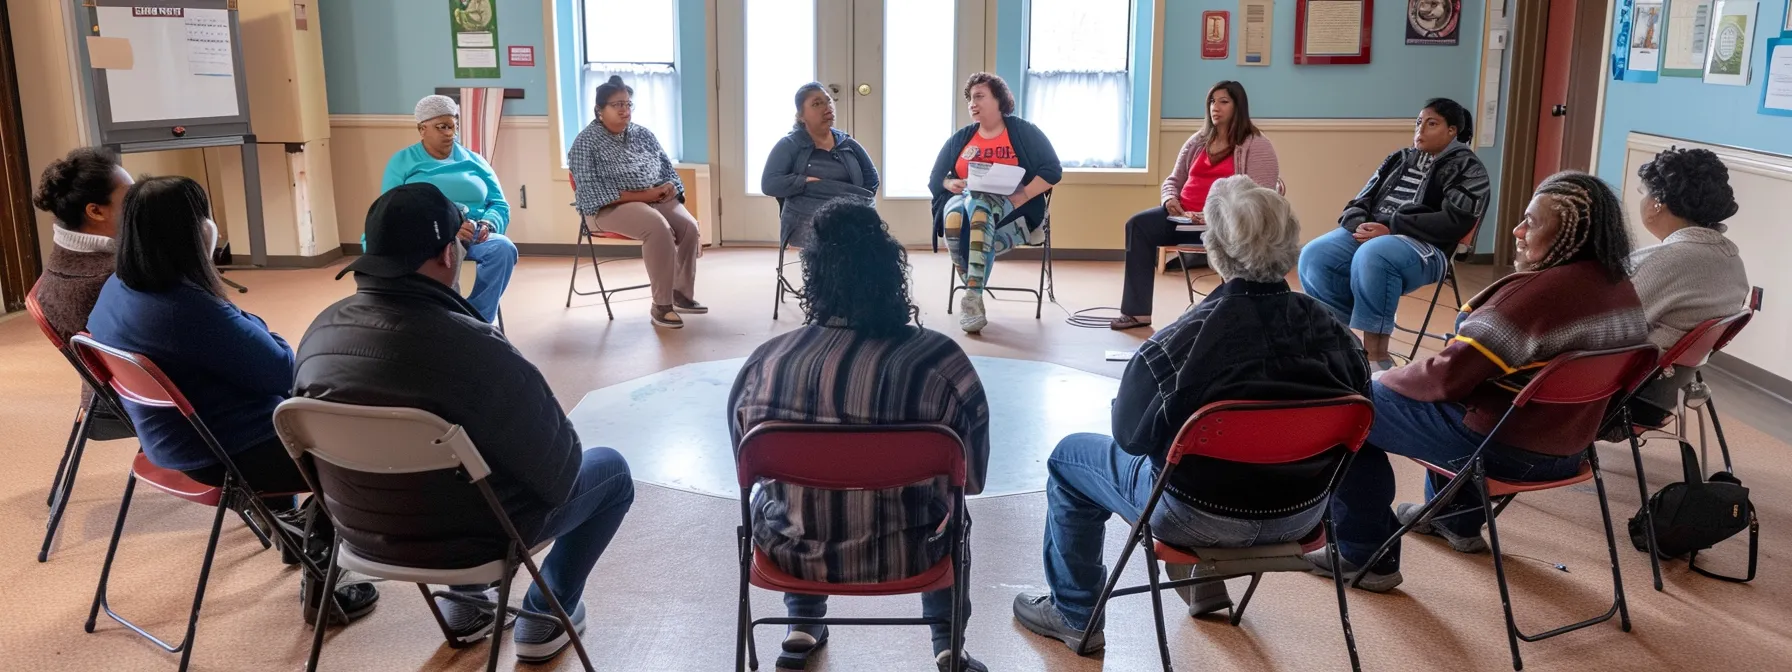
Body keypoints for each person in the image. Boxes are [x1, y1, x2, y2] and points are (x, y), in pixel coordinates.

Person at [1012, 176, 1369, 653]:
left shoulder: (1179, 344)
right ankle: (1202, 585)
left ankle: (1075, 613)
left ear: (1214, 248)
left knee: (1070, 458)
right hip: (1303, 515)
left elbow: (1131, 438)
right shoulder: (1339, 336)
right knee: (1194, 456)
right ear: (1291, 244)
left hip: (1197, 517)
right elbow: (1360, 420)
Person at [294, 183, 636, 663]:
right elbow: (559, 478)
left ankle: (467, 608)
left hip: (360, 531)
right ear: (448, 256)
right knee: (612, 472)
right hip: (469, 539)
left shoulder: (317, 335)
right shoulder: (477, 349)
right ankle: (545, 614)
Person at [1316, 172, 1648, 590]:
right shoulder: (1621, 290)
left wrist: (1383, 376)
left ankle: (1361, 554)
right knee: (1471, 396)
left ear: (1570, 234)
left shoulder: (1534, 297)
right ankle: (1455, 521)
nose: (1518, 230)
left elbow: (1447, 379)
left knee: (1350, 407)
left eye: (1533, 222)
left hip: (1504, 450)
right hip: (1571, 448)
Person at [85, 176, 379, 624]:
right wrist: (218, 289)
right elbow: (284, 366)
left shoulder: (115, 291)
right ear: (195, 232)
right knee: (344, 440)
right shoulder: (189, 310)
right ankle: (323, 582)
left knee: (288, 407)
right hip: (222, 454)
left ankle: (291, 537)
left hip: (165, 445)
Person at [728, 201, 990, 672]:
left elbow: (745, 469)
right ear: (891, 269)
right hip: (911, 550)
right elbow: (971, 480)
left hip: (793, 554)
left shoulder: (765, 364)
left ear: (813, 276)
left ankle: (802, 624)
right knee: (954, 510)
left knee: (783, 497)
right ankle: (948, 644)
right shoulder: (940, 362)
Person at [1297, 98, 1491, 371]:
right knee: (1314, 255)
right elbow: (1360, 200)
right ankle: (1345, 344)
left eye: (1431, 123)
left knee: (1373, 254)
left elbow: (1454, 221)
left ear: (1452, 131)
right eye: (1418, 122)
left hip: (1426, 247)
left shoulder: (1469, 168)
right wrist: (1359, 224)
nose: (1420, 129)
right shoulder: (1398, 159)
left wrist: (1392, 227)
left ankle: (1377, 359)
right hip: (1375, 235)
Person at [1111, 81, 1280, 330]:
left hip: (1225, 225)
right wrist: (1170, 199)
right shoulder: (1198, 140)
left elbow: (1258, 197)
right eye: (1212, 101)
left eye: (1224, 102)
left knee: (1234, 236)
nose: (1216, 107)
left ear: (1239, 106)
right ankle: (1137, 313)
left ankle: (1236, 309)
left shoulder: (1257, 144)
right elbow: (1174, 179)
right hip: (1183, 218)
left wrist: (1212, 216)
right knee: (1138, 225)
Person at [1624, 147, 1749, 428]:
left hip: (1626, 397)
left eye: (1643, 192)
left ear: (1658, 203)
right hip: (1668, 393)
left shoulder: (1664, 261)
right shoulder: (1732, 259)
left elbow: (1607, 326)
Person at [928, 72, 1062, 334]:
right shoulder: (961, 138)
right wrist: (949, 184)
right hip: (964, 200)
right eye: (969, 99)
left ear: (999, 100)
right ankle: (973, 295)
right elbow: (936, 178)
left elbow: (1052, 170)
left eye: (979, 96)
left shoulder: (1024, 132)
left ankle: (972, 294)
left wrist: (1022, 195)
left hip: (1015, 206)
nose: (972, 103)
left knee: (980, 210)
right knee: (960, 215)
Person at [569, 75, 705, 329]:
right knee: (657, 227)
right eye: (617, 104)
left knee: (689, 227)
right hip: (607, 207)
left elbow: (667, 168)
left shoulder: (643, 134)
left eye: (628, 103)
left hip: (654, 198)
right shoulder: (584, 143)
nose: (625, 110)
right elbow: (591, 192)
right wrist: (646, 196)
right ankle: (661, 305)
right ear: (600, 110)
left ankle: (681, 293)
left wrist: (669, 187)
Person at [379, 94, 517, 323]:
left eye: (454, 126)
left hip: (472, 233)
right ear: (422, 129)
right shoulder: (402, 162)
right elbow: (389, 209)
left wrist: (486, 224)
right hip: (424, 238)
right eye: (442, 127)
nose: (450, 133)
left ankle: (475, 320)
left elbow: (499, 203)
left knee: (503, 248)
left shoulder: (474, 161)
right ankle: (438, 320)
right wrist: (443, 229)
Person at [761, 82, 879, 249]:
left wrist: (856, 202)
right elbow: (769, 184)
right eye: (817, 104)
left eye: (828, 101)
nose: (827, 108)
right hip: (808, 218)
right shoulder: (789, 145)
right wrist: (804, 182)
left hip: (850, 216)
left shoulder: (848, 143)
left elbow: (872, 180)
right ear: (801, 115)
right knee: (836, 240)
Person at [32, 147, 132, 342]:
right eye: (130, 197)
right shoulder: (118, 277)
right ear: (95, 211)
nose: (140, 202)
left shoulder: (57, 266)